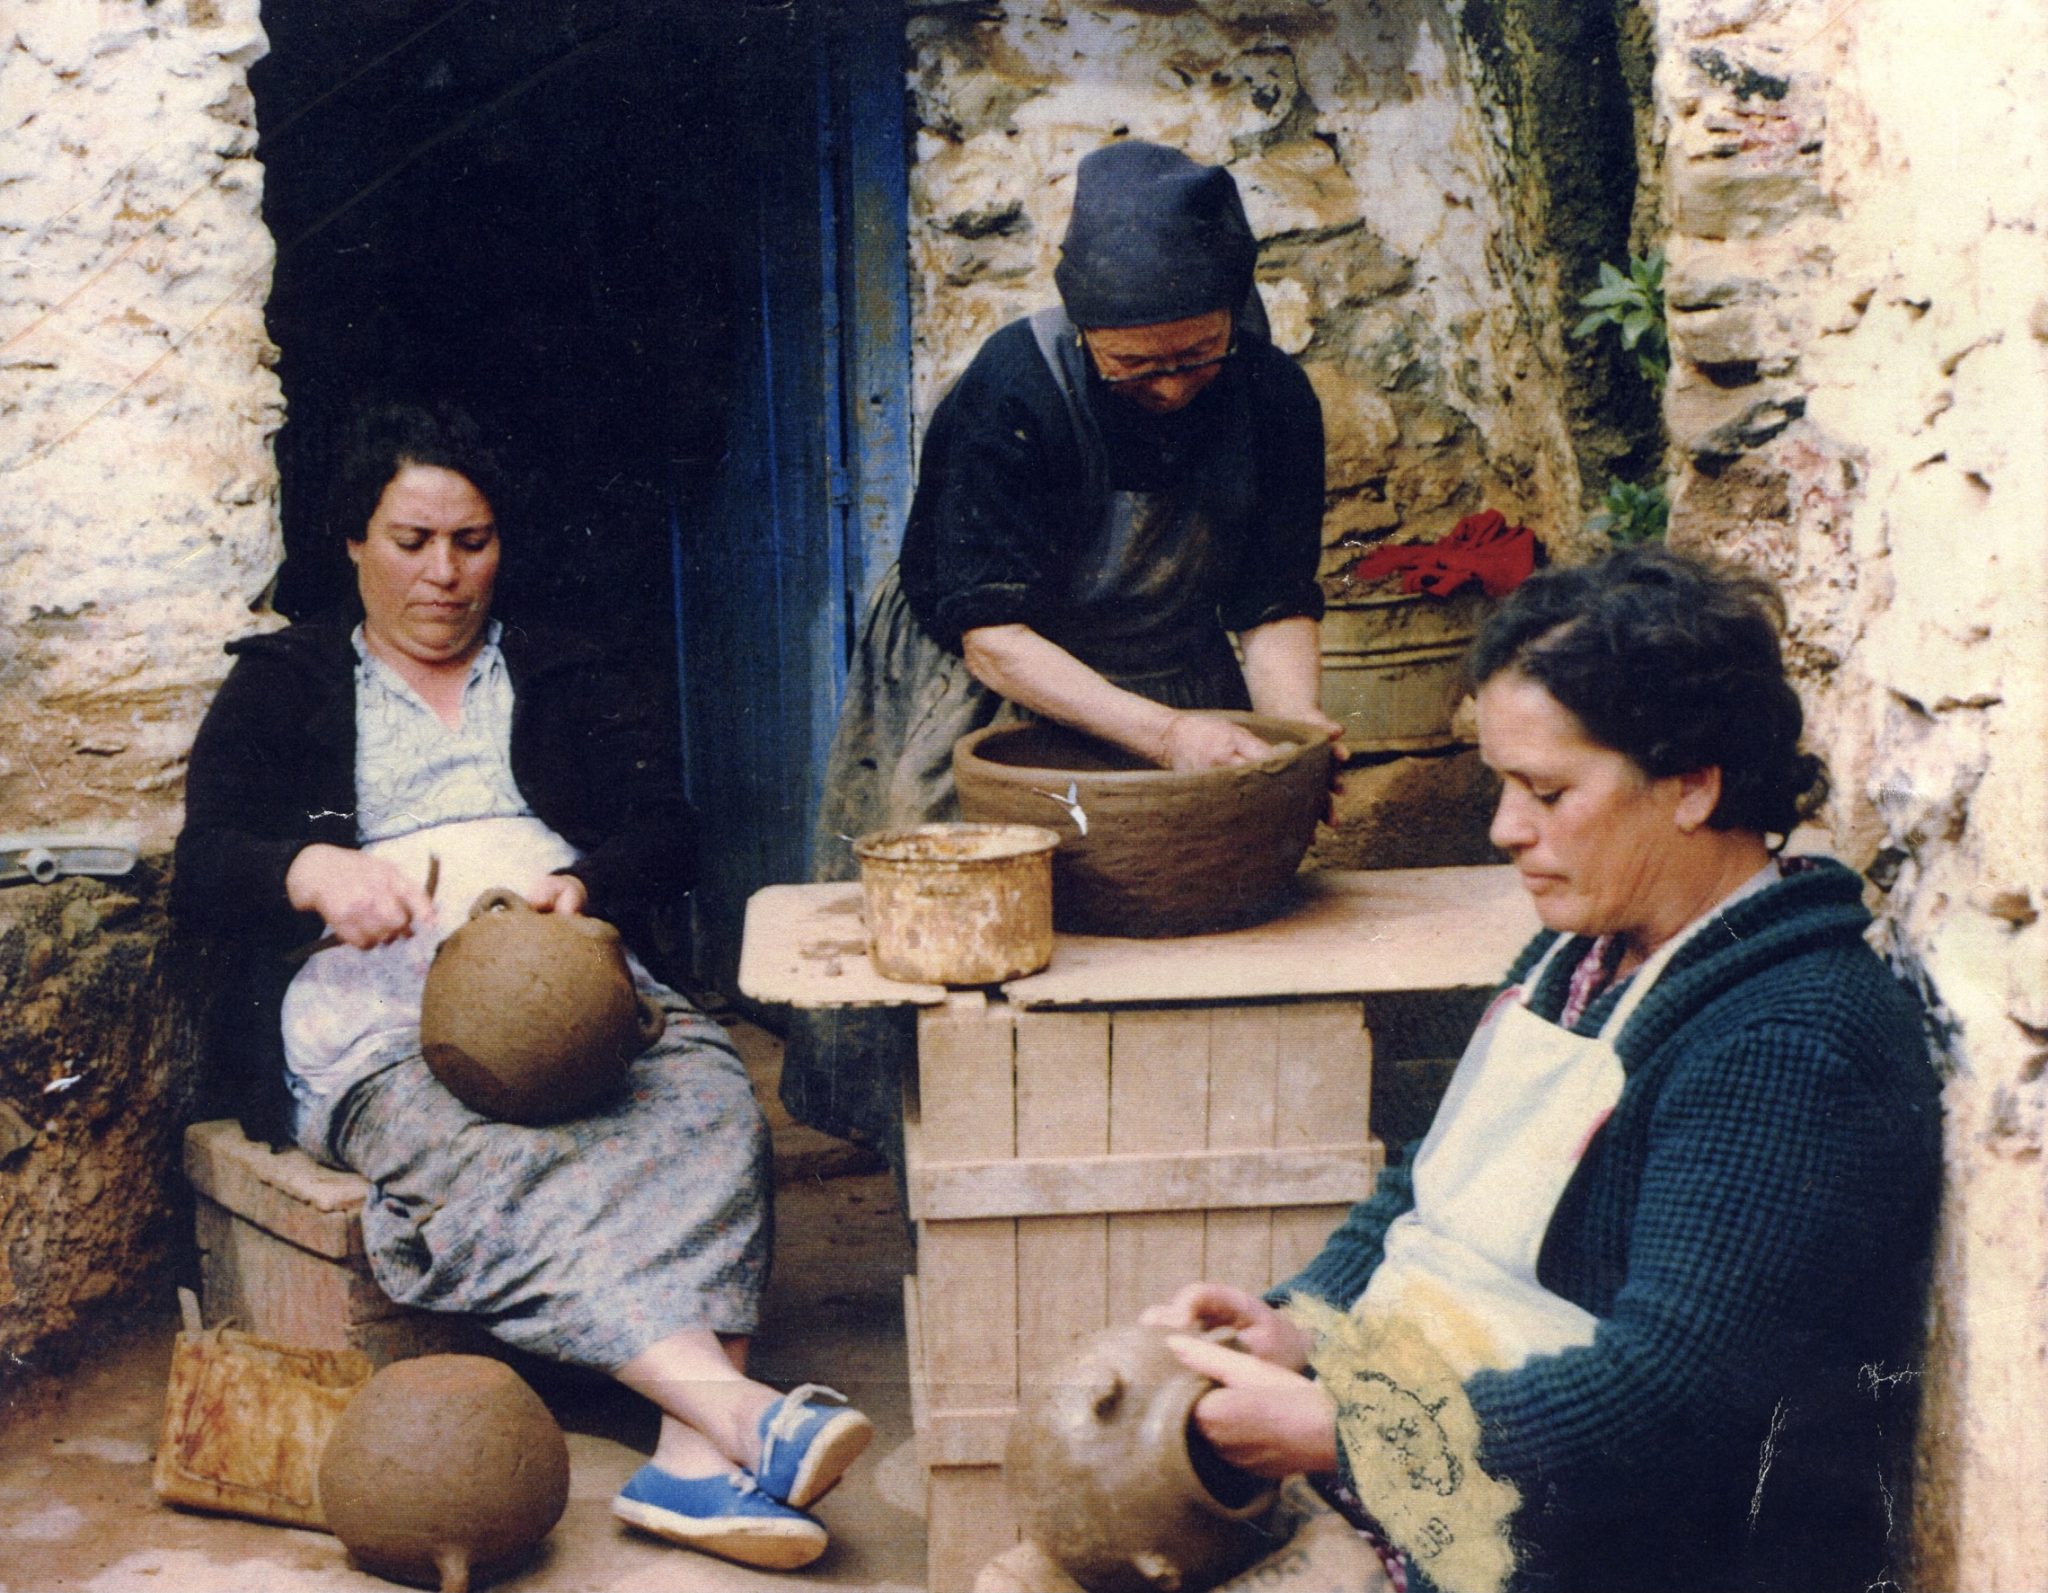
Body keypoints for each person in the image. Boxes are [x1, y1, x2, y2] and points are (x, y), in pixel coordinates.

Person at [1143, 546, 1943, 1593]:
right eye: (1502, 784)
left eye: (1546, 789)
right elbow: (1423, 1196)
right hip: (1462, 1502)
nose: (1503, 828)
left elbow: (1667, 1403)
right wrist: (1302, 1328)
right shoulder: (1584, 955)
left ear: (1691, 784)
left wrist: (1344, 1428)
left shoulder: (1786, 1042)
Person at [172, 404, 872, 1572]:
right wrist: (311, 869)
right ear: (352, 543)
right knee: (495, 1160)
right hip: (377, 1016)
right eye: (411, 541)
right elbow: (201, 869)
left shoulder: (560, 669)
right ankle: (740, 1421)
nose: (443, 574)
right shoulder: (286, 684)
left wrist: (579, 885)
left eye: (473, 541)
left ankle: (692, 1468)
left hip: (570, 989)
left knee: (704, 1108)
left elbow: (668, 828)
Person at [787, 139, 1341, 1156]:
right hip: (987, 675)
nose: (1171, 389)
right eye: (1134, 367)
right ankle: (943, 1158)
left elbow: (1269, 597)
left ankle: (1150, 1149)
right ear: (1086, 335)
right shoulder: (1017, 386)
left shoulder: (1270, 398)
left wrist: (1294, 730)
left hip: (1168, 656)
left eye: (1195, 355)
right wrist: (1162, 735)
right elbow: (988, 632)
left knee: (1178, 910)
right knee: (967, 933)